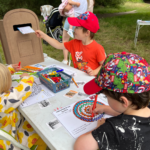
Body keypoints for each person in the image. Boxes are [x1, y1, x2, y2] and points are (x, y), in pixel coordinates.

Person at [74, 51, 150, 150]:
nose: (107, 99)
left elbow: (81, 146)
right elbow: (131, 115)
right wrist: (105, 108)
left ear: (124, 101)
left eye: (106, 97)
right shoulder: (144, 107)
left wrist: (99, 130)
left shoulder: (113, 129)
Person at [36, 11, 106, 76]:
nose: (74, 29)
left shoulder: (97, 48)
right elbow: (58, 45)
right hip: (79, 77)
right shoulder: (74, 43)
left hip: (91, 81)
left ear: (87, 33)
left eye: (77, 28)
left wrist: (94, 72)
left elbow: (105, 65)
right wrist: (43, 36)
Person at [0, 64, 46, 150]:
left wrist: (10, 69)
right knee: (42, 134)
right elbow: (23, 90)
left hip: (5, 129)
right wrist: (26, 78)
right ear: (4, 83)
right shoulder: (4, 102)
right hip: (12, 139)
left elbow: (1, 76)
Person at [60, 0, 88, 65]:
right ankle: (80, 60)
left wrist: (63, 10)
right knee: (80, 42)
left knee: (65, 40)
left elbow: (67, 8)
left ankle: (65, 60)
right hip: (81, 20)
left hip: (72, 19)